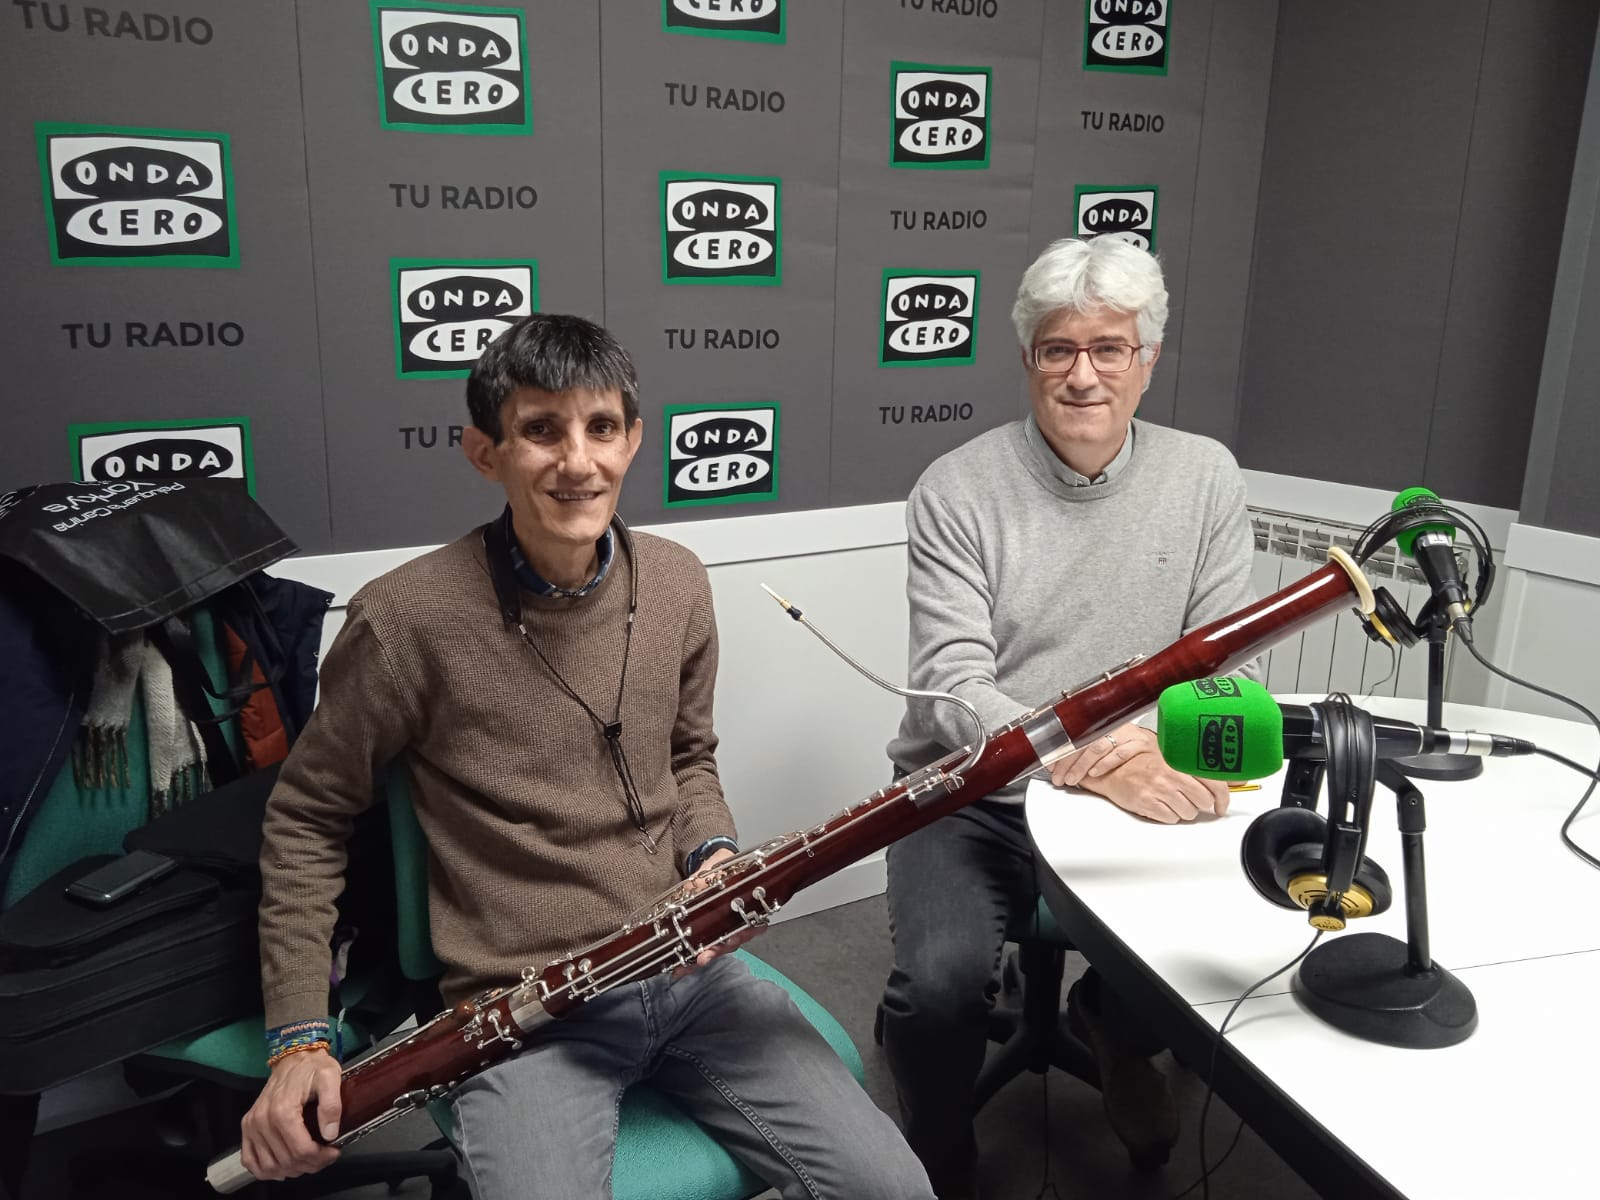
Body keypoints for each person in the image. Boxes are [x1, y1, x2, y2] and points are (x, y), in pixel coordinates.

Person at [241, 314, 934, 1200]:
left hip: (692, 979)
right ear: (483, 451)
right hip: (524, 1012)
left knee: (895, 1191)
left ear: (635, 438)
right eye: (541, 431)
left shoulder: (678, 581)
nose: (579, 462)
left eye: (601, 428)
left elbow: (689, 757)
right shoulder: (404, 620)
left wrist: (714, 856)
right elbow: (306, 820)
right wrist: (300, 1036)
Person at [880, 237, 1260, 1198]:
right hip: (968, 790)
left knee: (1218, 949)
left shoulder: (1206, 476)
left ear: (1147, 362)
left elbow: (1219, 666)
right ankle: (937, 1153)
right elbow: (954, 685)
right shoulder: (956, 487)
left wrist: (1139, 760)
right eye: (1058, 349)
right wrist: (1089, 755)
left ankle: (1114, 1027)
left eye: (1109, 349)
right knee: (938, 987)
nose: (1083, 374)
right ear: (1028, 360)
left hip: (1138, 777)